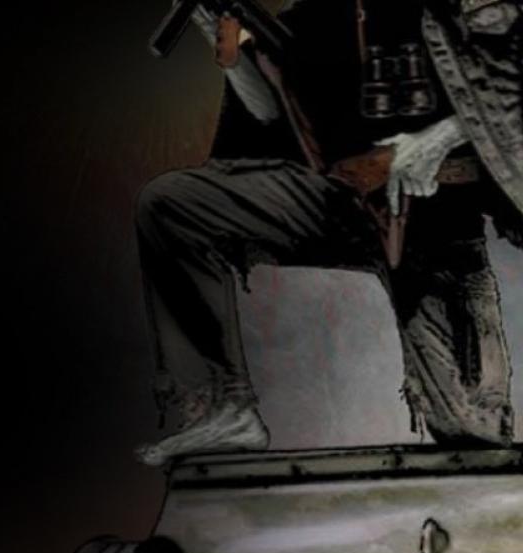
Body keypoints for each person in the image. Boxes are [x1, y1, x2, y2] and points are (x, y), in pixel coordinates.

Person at [134, 0, 522, 466]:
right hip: (338, 201)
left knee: (472, 431)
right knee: (175, 206)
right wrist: (237, 62)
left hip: (434, 222)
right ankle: (221, 406)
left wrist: (435, 142)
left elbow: (510, 92)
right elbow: (273, 119)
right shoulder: (308, 20)